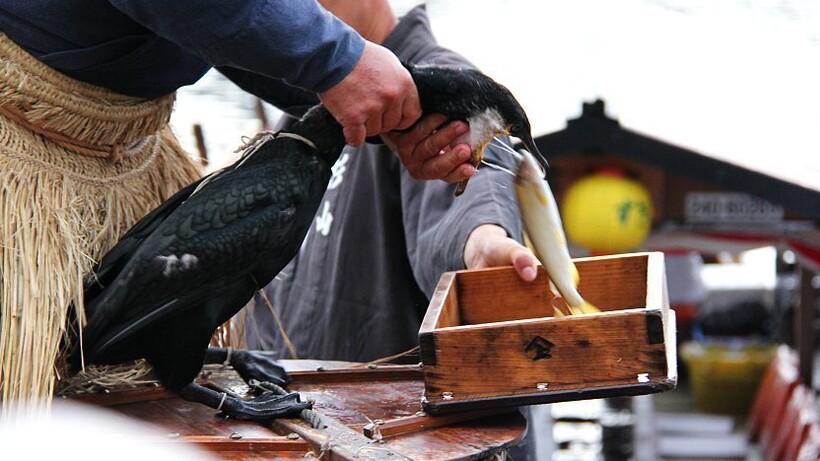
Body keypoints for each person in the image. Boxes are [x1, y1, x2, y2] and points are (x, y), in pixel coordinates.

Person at [0, 0, 476, 417]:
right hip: (28, 161)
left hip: (124, 155)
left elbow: (211, 25)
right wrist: (339, 61)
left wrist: (368, 109)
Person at [245, 1, 540, 364]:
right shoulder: (313, 97)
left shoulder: (442, 88)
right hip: (297, 401)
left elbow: (478, 177)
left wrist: (482, 241)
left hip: (385, 413)